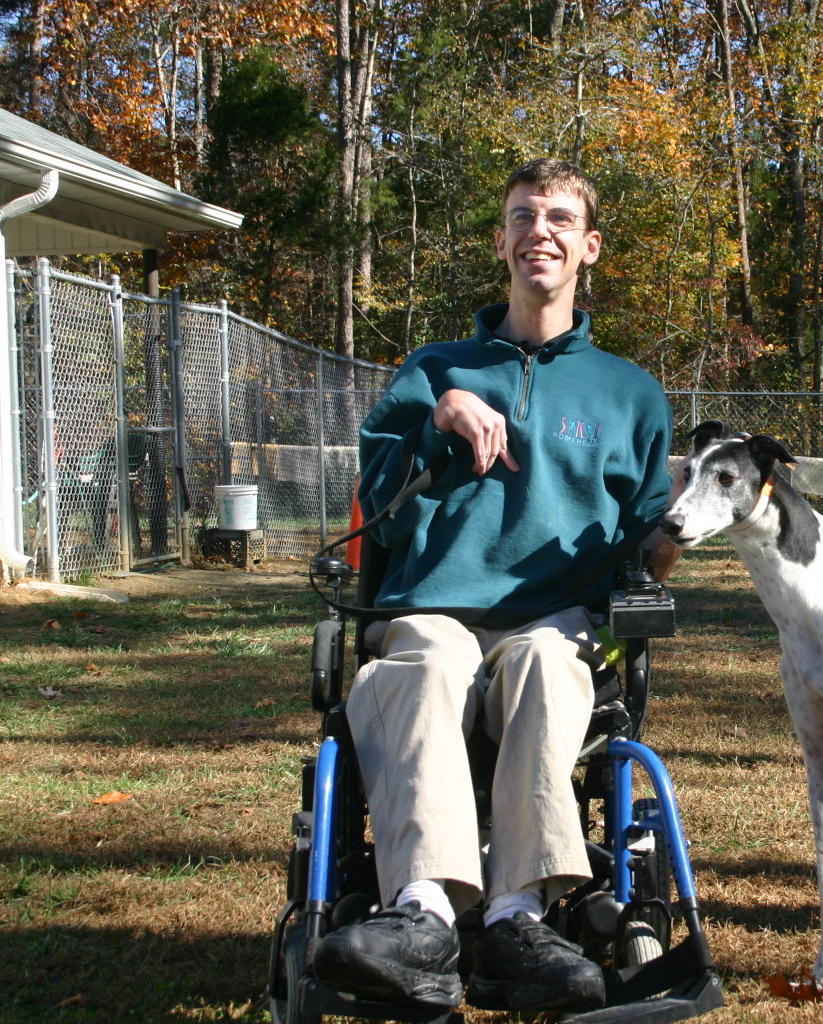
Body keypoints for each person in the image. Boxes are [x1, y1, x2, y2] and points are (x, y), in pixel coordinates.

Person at [311, 158, 679, 1014]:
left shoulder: (631, 395)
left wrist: (692, 524)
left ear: (589, 246)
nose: (538, 232)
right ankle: (424, 914)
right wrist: (436, 423)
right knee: (428, 662)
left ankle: (517, 920)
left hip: (556, 618)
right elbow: (379, 517)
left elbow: (648, 544)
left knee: (548, 663)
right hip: (432, 608)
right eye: (522, 216)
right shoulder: (433, 370)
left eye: (558, 218)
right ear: (502, 241)